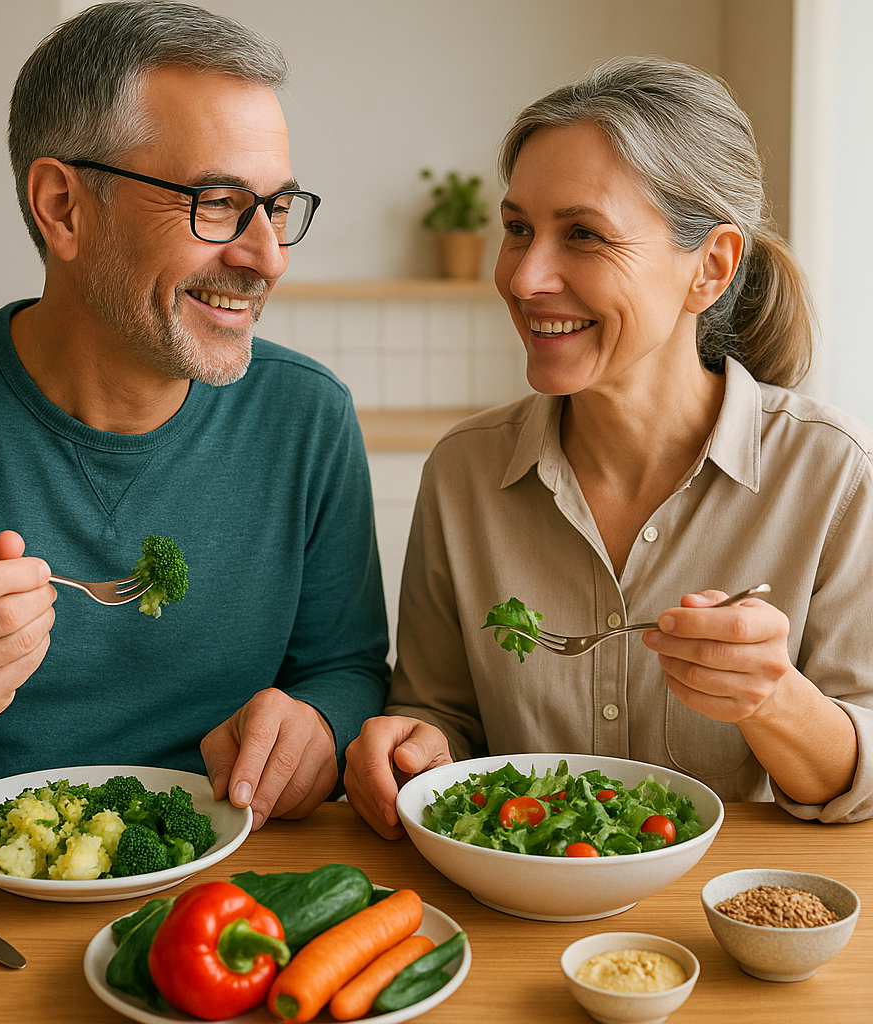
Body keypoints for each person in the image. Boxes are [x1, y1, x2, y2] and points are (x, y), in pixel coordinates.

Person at [0, 1, 390, 825]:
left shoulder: (306, 416)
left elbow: (347, 667)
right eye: (217, 202)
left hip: (221, 894)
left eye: (277, 207)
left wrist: (318, 721)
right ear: (63, 206)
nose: (267, 257)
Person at [344, 56, 873, 839]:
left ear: (712, 268)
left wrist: (773, 697)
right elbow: (441, 714)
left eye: (583, 235)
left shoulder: (831, 474)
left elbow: (856, 783)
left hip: (716, 931)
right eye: (518, 228)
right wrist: (415, 744)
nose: (525, 278)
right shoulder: (464, 472)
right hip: (507, 921)